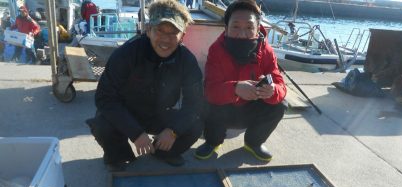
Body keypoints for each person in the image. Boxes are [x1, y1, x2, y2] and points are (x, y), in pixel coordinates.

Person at [86, 0, 203, 171]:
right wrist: (135, 133)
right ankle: (118, 155)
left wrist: (173, 130)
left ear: (183, 36)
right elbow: (105, 98)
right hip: (127, 110)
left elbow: (195, 104)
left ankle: (162, 152)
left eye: (173, 33)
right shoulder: (126, 53)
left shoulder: (187, 60)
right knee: (102, 124)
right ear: (148, 30)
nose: (165, 39)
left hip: (161, 113)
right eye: (159, 30)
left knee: (195, 125)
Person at [195, 0, 287, 162]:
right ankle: (213, 141)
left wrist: (273, 90)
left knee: (280, 105)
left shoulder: (266, 50)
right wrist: (235, 89)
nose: (242, 33)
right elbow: (210, 90)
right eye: (236, 26)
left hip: (251, 108)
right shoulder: (216, 50)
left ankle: (253, 143)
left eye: (249, 27)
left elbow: (280, 84)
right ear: (226, 28)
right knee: (207, 102)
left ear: (257, 29)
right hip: (223, 110)